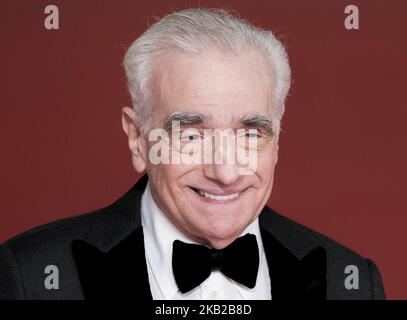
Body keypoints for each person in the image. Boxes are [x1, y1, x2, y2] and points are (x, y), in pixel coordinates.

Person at [0, 8, 385, 300]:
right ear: (138, 140)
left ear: (277, 142)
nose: (226, 170)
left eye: (251, 133)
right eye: (191, 135)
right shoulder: (29, 276)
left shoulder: (350, 280)